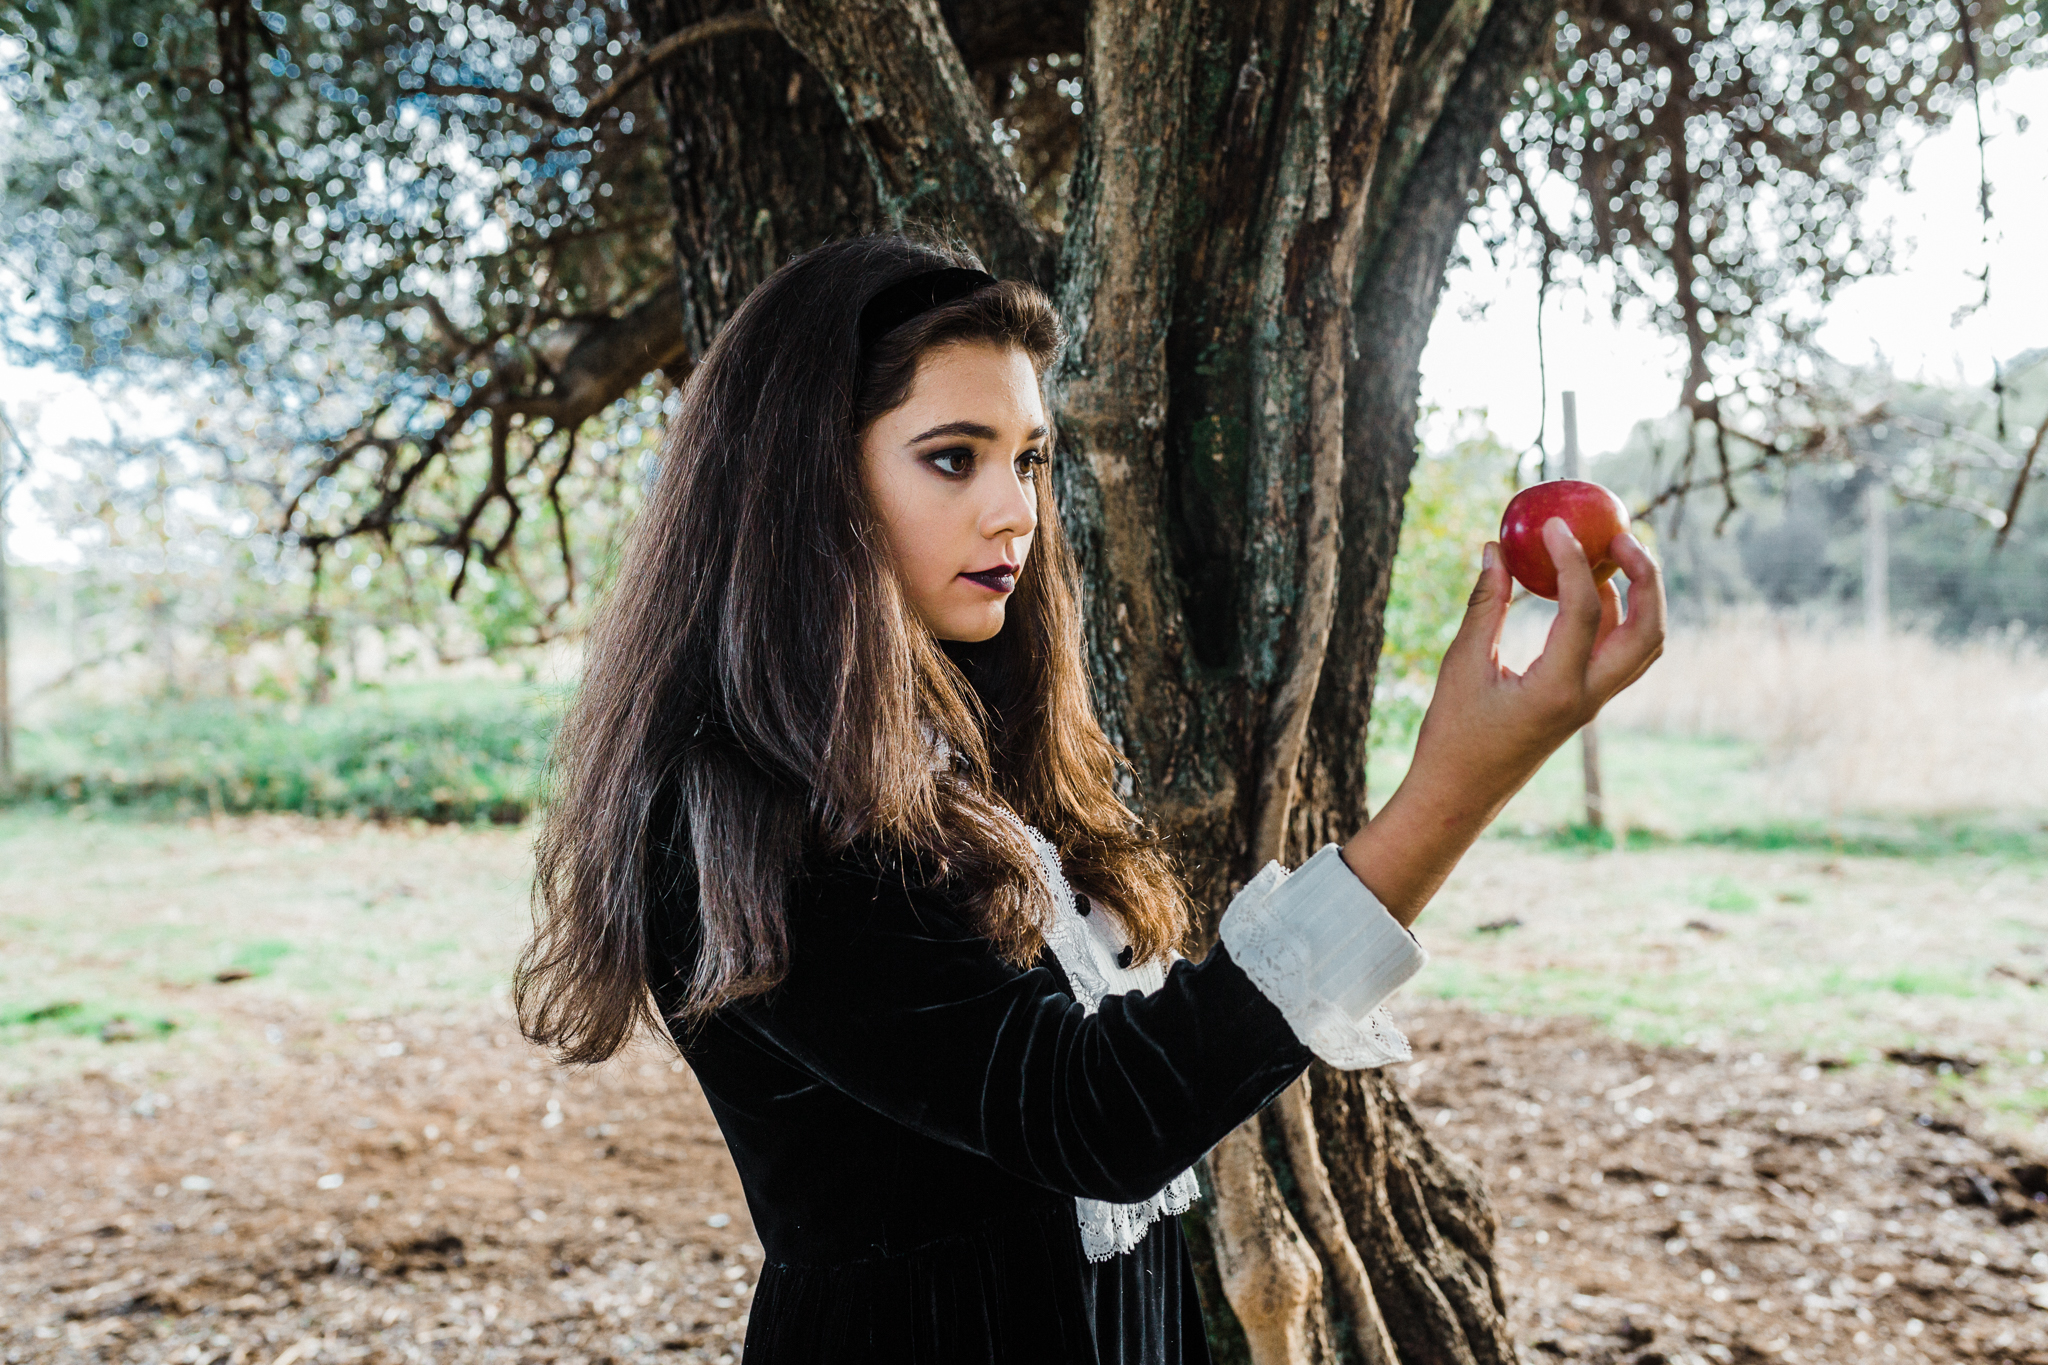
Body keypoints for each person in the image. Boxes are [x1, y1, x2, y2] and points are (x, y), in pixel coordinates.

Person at [516, 233, 1665, 1364]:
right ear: (803, 479)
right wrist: (1453, 791)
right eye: (953, 457)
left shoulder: (966, 748)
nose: (1014, 511)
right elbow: (1093, 1113)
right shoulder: (744, 802)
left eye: (1028, 458)